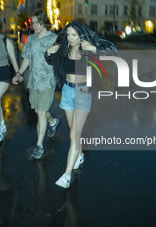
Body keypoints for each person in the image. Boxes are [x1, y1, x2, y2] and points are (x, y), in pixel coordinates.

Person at [45, 20, 117, 188]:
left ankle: (67, 175)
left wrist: (93, 48)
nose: (70, 38)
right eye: (68, 35)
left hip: (82, 93)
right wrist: (49, 51)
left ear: (81, 35)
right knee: (73, 132)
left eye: (74, 35)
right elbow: (51, 62)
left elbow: (114, 52)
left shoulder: (88, 49)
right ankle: (80, 155)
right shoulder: (65, 48)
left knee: (74, 136)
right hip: (67, 92)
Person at [12, 10, 59, 159]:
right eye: (33, 23)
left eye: (37, 22)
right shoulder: (31, 39)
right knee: (43, 112)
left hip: (47, 81)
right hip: (33, 82)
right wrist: (19, 73)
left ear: (44, 22)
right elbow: (26, 58)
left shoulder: (54, 39)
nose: (34, 25)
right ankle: (53, 121)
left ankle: (39, 146)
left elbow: (62, 59)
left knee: (40, 113)